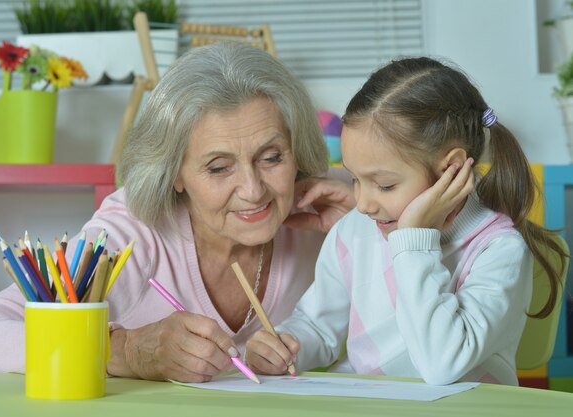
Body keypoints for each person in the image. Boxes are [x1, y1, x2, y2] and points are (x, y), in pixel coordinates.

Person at [0, 42, 355, 382]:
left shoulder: (326, 210)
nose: (252, 190)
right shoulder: (130, 234)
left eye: (271, 158)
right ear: (175, 173)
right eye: (218, 167)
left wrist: (368, 232)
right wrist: (122, 351)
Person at [244, 56, 569, 386]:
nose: (363, 203)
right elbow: (318, 326)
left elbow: (442, 365)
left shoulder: (498, 249)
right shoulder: (355, 231)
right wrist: (285, 345)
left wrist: (415, 240)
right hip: (370, 404)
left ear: (450, 170)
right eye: (355, 179)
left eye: (385, 185)